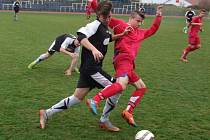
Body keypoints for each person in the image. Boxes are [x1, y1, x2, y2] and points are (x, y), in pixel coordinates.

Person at [39, 1, 130, 132]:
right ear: (100, 15)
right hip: (92, 69)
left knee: (76, 98)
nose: (109, 19)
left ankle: (46, 113)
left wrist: (122, 35)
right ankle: (104, 120)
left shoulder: (104, 27)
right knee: (117, 88)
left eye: (110, 16)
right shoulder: (94, 25)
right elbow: (81, 37)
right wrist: (93, 49)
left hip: (89, 69)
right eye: (107, 17)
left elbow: (107, 39)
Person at [86, 6, 163, 127]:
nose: (140, 23)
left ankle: (128, 111)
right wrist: (94, 3)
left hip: (130, 65)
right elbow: (104, 14)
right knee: (121, 85)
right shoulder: (120, 25)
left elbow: (153, 29)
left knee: (141, 87)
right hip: (122, 60)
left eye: (141, 21)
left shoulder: (140, 33)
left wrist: (158, 15)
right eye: (138, 20)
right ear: (131, 18)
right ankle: (94, 100)